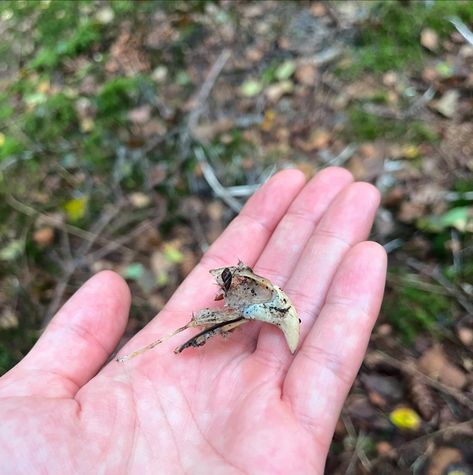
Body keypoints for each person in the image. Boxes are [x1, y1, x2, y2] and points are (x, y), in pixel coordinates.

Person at [0, 167, 387, 474]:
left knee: (199, 328)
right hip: (242, 317)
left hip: (261, 312)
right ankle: (168, 345)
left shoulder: (253, 297)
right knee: (191, 328)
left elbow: (256, 307)